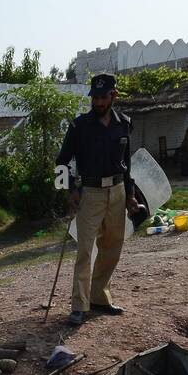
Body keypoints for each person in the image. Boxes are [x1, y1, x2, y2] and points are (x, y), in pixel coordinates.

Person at [55, 73, 145, 327]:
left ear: (113, 96)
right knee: (85, 251)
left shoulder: (124, 124)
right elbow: (60, 163)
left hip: (117, 191)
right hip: (90, 193)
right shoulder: (79, 126)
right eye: (94, 98)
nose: (98, 102)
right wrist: (69, 190)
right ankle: (79, 306)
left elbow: (126, 165)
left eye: (103, 97)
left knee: (112, 248)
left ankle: (99, 297)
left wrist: (130, 195)